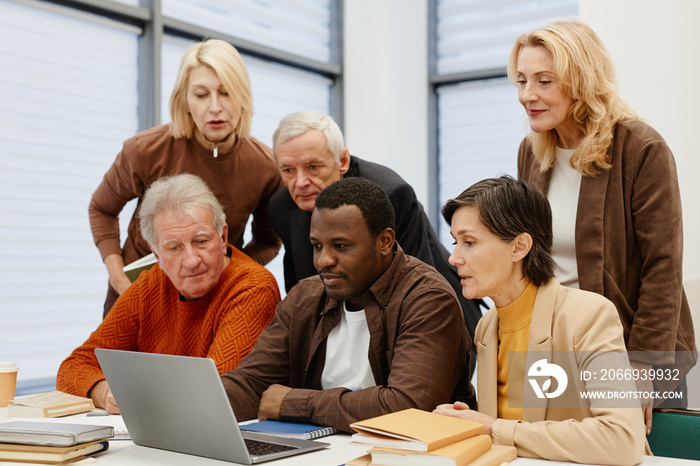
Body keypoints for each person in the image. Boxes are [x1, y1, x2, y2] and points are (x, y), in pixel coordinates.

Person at [510, 18, 696, 432]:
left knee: (630, 453)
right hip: (558, 349)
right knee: (554, 452)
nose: (527, 95)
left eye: (544, 81)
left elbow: (663, 266)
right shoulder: (532, 151)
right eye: (522, 80)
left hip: (631, 349)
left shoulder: (641, 147)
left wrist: (641, 364)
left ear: (580, 79)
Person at [222, 177, 475, 432]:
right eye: (317, 246)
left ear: (384, 242)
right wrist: (194, 404)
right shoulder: (305, 296)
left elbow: (407, 407)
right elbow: (252, 383)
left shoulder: (428, 298)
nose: (324, 260)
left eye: (340, 246)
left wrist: (295, 403)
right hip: (321, 451)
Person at [434, 177, 647, 465]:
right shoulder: (487, 326)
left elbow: (622, 439)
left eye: (469, 242)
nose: (454, 258)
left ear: (519, 247)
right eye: (455, 242)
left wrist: (493, 428)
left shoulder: (590, 316)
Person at [90, 39, 282, 317]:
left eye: (226, 93)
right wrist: (119, 279)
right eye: (201, 95)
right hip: (136, 299)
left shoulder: (266, 166)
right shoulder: (144, 150)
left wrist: (229, 276)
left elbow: (268, 241)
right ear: (185, 100)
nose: (215, 107)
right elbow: (101, 209)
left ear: (243, 97)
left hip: (211, 307)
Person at [58, 174, 280, 414]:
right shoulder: (150, 284)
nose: (192, 261)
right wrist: (105, 393)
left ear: (223, 237)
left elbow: (214, 392)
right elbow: (72, 368)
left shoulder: (253, 288)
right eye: (174, 248)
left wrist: (137, 391)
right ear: (156, 254)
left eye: (201, 241)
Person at [268, 110, 483, 339]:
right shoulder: (281, 206)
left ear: (342, 161)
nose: (300, 182)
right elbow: (298, 289)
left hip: (434, 316)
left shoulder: (390, 194)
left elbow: (418, 285)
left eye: (313, 167)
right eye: (288, 170)